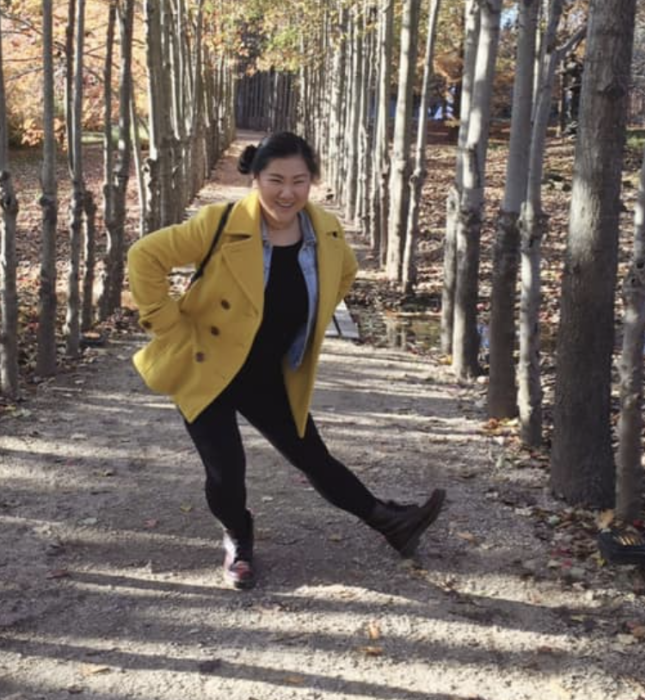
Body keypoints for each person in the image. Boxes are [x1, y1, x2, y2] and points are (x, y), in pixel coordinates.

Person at [127, 132, 446, 589]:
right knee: (226, 471)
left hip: (265, 372)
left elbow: (345, 274)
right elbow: (145, 256)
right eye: (275, 179)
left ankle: (390, 522)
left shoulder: (326, 233)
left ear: (312, 181)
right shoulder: (220, 223)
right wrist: (168, 324)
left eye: (299, 180)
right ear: (255, 178)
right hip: (206, 365)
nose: (287, 192)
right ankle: (238, 540)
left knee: (312, 455)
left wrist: (306, 326)